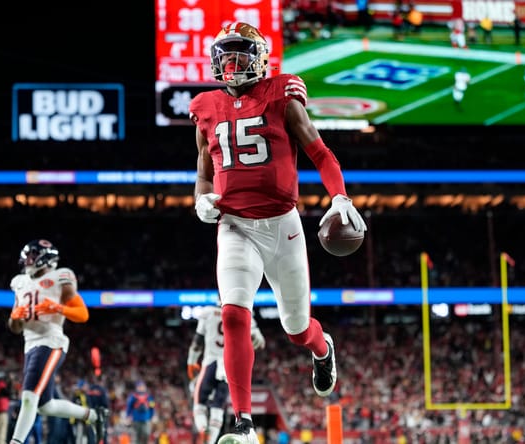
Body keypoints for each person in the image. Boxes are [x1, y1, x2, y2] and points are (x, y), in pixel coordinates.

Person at [190, 22, 367, 444]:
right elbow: (203, 172)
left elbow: (319, 152)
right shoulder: (205, 107)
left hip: (283, 225)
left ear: (259, 58)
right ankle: (244, 425)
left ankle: (321, 348)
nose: (230, 62)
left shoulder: (281, 94)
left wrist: (339, 197)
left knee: (295, 327)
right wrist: (200, 199)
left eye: (239, 53)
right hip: (234, 226)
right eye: (225, 53)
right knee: (233, 313)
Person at [7, 239, 109, 444]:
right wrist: (15, 318)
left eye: (32, 256)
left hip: (50, 341)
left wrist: (57, 308)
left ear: (45, 258)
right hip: (30, 344)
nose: (27, 261)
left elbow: (82, 314)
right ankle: (94, 416)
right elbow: (15, 328)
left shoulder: (60, 277)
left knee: (28, 396)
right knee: (44, 405)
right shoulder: (20, 282)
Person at [187, 305, 266, 444]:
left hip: (210, 363)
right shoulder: (243, 311)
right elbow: (259, 341)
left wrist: (191, 361)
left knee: (199, 403)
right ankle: (210, 440)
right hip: (228, 366)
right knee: (218, 407)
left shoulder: (208, 312)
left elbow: (197, 342)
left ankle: (203, 428)